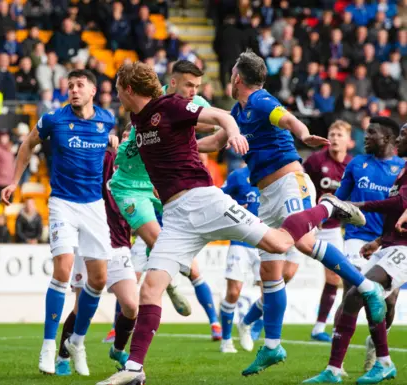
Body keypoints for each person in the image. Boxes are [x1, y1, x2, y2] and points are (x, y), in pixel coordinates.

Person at [97, 61, 376, 385]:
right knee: (151, 287)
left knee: (280, 242)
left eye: (117, 86)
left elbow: (222, 116)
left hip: (205, 201)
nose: (115, 92)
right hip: (175, 217)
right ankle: (135, 369)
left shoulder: (169, 106)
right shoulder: (138, 121)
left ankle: (327, 206)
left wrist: (232, 132)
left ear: (127, 89)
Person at [226, 50, 387, 376]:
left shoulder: (260, 101)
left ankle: (366, 287)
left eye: (231, 72)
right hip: (265, 194)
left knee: (301, 241)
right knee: (269, 275)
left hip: (288, 182)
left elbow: (286, 118)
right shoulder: (238, 111)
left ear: (237, 78)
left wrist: (302, 134)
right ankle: (272, 347)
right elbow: (221, 136)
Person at [0, 69, 118, 376]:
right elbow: (27, 145)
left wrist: (113, 144)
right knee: (63, 269)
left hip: (94, 206)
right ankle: (49, 345)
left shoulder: (106, 120)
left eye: (80, 85)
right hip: (62, 203)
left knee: (99, 279)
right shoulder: (53, 119)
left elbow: (113, 146)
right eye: (71, 85)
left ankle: (76, 341)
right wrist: (14, 182)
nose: (74, 90)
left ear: (93, 90)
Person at [108, 60, 220, 340]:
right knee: (152, 252)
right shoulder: (141, 119)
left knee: (190, 264)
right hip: (130, 189)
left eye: (196, 86)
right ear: (171, 84)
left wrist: (218, 137)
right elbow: (121, 155)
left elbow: (219, 119)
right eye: (188, 86)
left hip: (159, 186)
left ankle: (216, 323)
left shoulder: (185, 104)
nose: (193, 92)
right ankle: (124, 326)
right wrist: (118, 143)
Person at [303, 122, 407, 385]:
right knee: (354, 295)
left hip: (399, 247)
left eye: (372, 133)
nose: (366, 137)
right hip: (366, 241)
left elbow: (399, 203)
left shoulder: (400, 168)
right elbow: (397, 211)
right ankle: (336, 367)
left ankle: (378, 355)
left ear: (388, 137)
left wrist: (359, 205)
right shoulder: (363, 165)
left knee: (379, 299)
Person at [55, 141, 138, 376]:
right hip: (90, 241)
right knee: (81, 307)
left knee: (131, 306)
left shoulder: (142, 168)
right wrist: (101, 144)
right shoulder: (105, 160)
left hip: (120, 243)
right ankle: (63, 356)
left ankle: (118, 349)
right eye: (124, 136)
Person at [303, 120, 353, 342]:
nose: (334, 137)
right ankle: (257, 318)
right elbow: (301, 185)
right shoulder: (315, 161)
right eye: (332, 133)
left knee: (335, 276)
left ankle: (319, 327)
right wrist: (310, 212)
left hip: (333, 228)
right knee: (285, 273)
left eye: (339, 134)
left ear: (349, 141)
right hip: (308, 223)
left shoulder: (352, 166)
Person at [218, 163, 261, 353]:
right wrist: (233, 207)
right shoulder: (238, 175)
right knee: (234, 292)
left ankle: (246, 324)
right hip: (241, 241)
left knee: (269, 294)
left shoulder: (274, 172)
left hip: (266, 241)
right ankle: (226, 340)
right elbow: (219, 199)